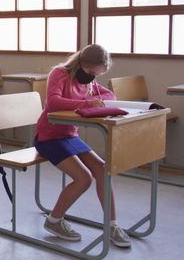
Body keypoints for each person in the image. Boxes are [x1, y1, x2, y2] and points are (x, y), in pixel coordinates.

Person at [35, 44, 131, 248]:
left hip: (70, 135)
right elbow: (53, 103)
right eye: (89, 72)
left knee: (102, 169)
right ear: (81, 64)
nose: (91, 77)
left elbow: (110, 96)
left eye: (96, 74)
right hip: (48, 136)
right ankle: (53, 221)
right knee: (84, 178)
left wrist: (94, 98)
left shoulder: (89, 82)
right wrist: (88, 103)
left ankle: (112, 225)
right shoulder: (59, 74)